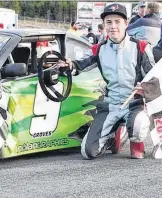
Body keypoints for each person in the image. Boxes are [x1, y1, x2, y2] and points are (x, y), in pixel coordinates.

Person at [58, 3, 155, 160]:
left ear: (126, 23)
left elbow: (154, 77)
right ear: (104, 25)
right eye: (109, 22)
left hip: (134, 104)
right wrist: (68, 65)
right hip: (110, 106)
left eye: (117, 22)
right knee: (88, 152)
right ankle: (111, 136)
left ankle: (134, 140)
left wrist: (144, 87)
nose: (113, 26)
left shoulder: (141, 47)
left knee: (138, 132)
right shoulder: (99, 49)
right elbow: (79, 65)